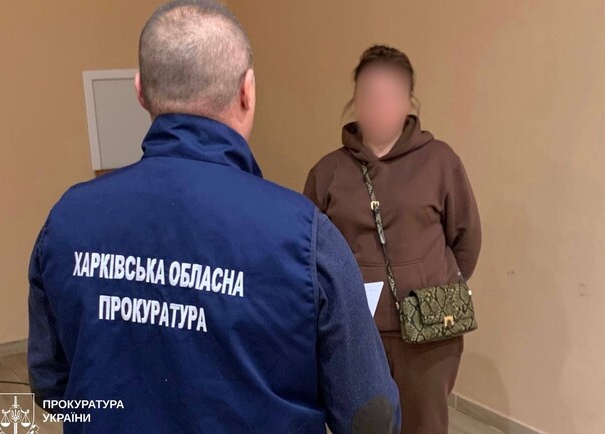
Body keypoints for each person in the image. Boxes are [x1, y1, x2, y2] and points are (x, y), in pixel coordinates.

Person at [27, 2, 400, 433]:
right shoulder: (306, 237)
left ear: (140, 91)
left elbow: (52, 386)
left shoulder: (67, 220)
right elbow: (370, 417)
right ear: (247, 91)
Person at [304, 45, 482, 434]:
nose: (380, 106)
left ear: (408, 102)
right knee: (363, 425)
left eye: (391, 95)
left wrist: (430, 283)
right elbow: (311, 252)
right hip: (355, 332)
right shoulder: (328, 172)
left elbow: (466, 239)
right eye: (370, 95)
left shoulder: (440, 161)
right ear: (355, 100)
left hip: (430, 334)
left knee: (425, 424)